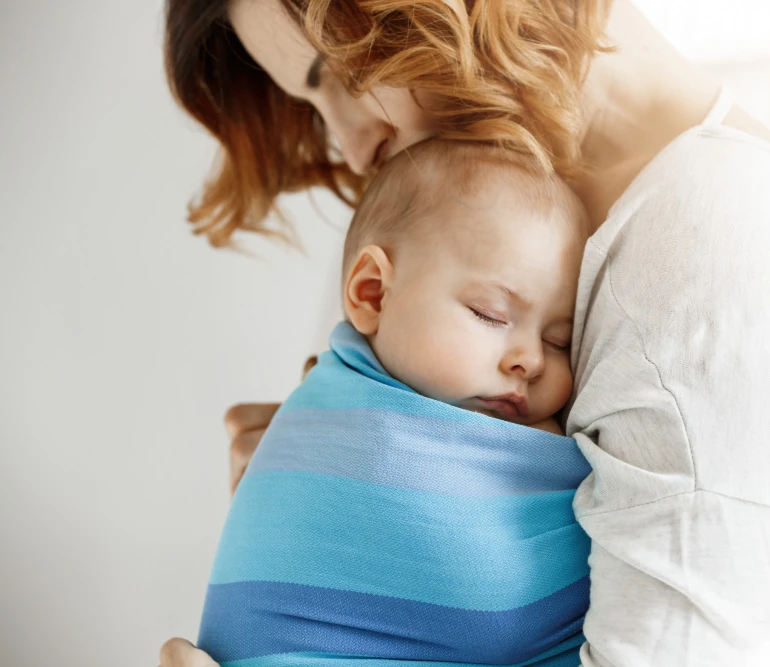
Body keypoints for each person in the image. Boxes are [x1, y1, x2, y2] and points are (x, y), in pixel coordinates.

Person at [161, 0, 770, 665]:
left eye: (342, 72)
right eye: (312, 105)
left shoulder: (723, 242)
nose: (351, 148)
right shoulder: (502, 226)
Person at [198, 139, 593, 666]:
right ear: (372, 294)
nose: (531, 359)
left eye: (559, 340)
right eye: (489, 314)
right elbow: (495, 604)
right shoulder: (337, 417)